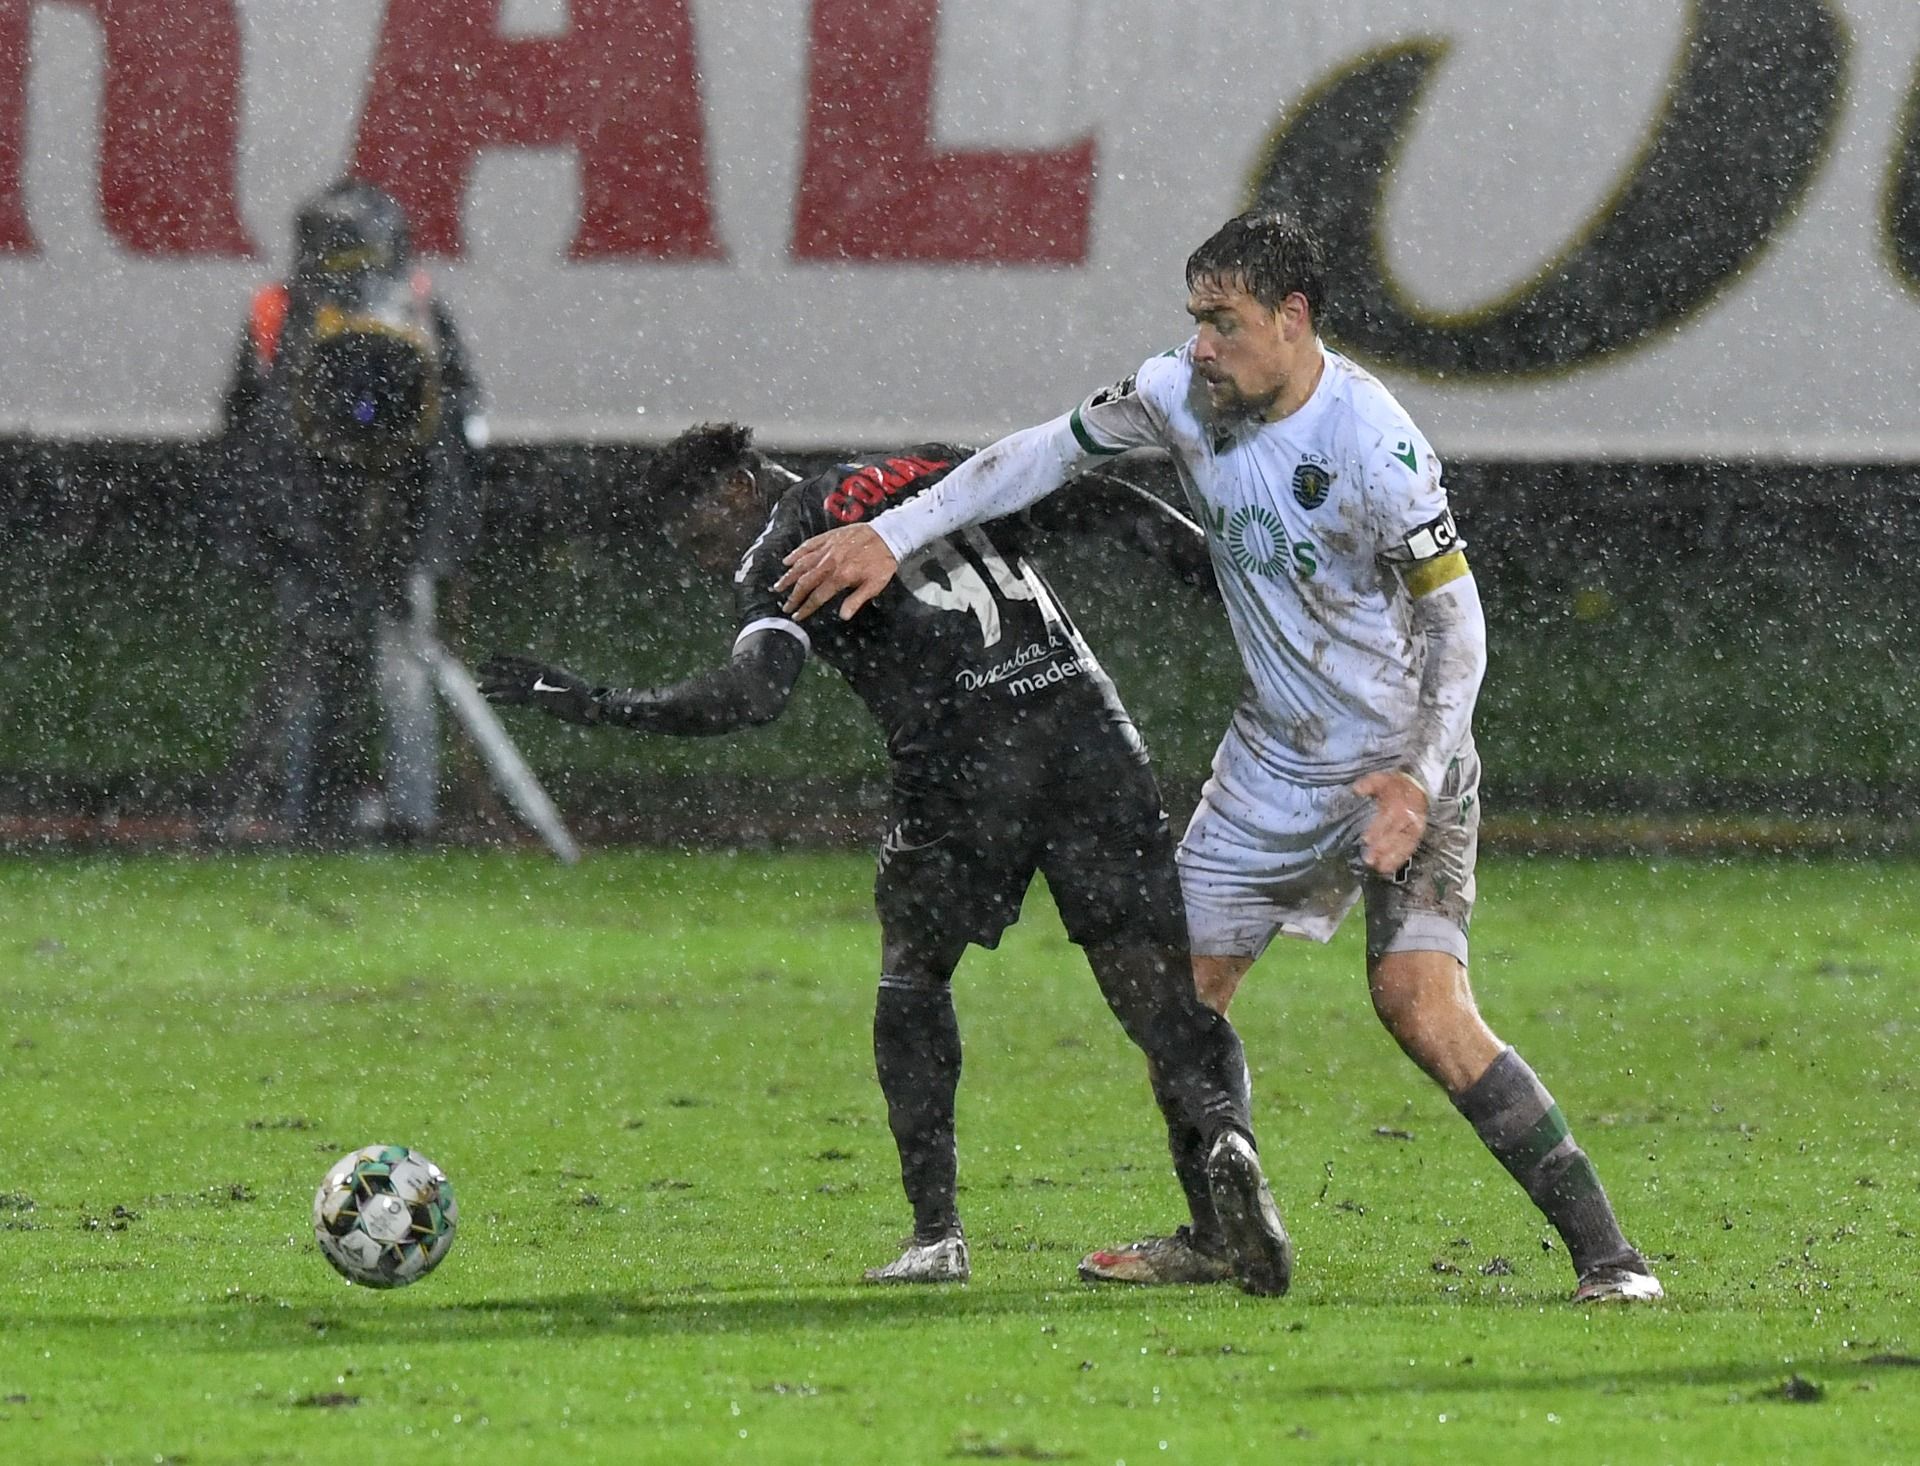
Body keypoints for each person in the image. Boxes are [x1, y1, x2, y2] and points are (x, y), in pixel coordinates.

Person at [775, 211, 1663, 1304]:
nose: (1202, 345)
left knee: (1420, 1005)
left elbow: (1459, 626)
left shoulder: (1375, 445)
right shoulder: (1178, 393)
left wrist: (1422, 775)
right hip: (1267, 768)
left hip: (1400, 760)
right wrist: (892, 532)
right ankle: (1219, 1233)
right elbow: (1037, 455)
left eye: (1224, 322)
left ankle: (1612, 1259)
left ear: (1293, 319)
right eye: (1195, 318)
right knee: (1173, 1000)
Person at [478, 422, 1292, 1292]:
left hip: (965, 766)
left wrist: (597, 703)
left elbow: (753, 696)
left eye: (697, 534)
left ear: (738, 487)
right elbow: (1101, 498)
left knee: (914, 979)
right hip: (1092, 737)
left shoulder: (783, 547)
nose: (700, 558)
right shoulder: (929, 469)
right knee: (1161, 1000)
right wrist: (1225, 574)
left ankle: (936, 1236)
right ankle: (1226, 1160)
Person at [218, 178, 484, 845]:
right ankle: (316, 809)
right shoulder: (284, 313)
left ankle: (395, 815)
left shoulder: (412, 309)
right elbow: (254, 430)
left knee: (394, 664)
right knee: (331, 665)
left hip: (391, 513)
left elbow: (452, 421)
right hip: (316, 517)